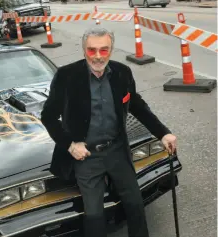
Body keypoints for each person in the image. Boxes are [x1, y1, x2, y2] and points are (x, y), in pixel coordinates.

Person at [40, 27, 177, 237]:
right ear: (84, 50)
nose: (97, 56)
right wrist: (70, 144)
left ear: (111, 50)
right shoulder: (66, 76)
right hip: (87, 157)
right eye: (92, 50)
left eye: (104, 50)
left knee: (135, 205)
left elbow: (137, 105)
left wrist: (163, 133)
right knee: (94, 216)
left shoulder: (122, 73)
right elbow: (48, 116)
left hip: (117, 152)